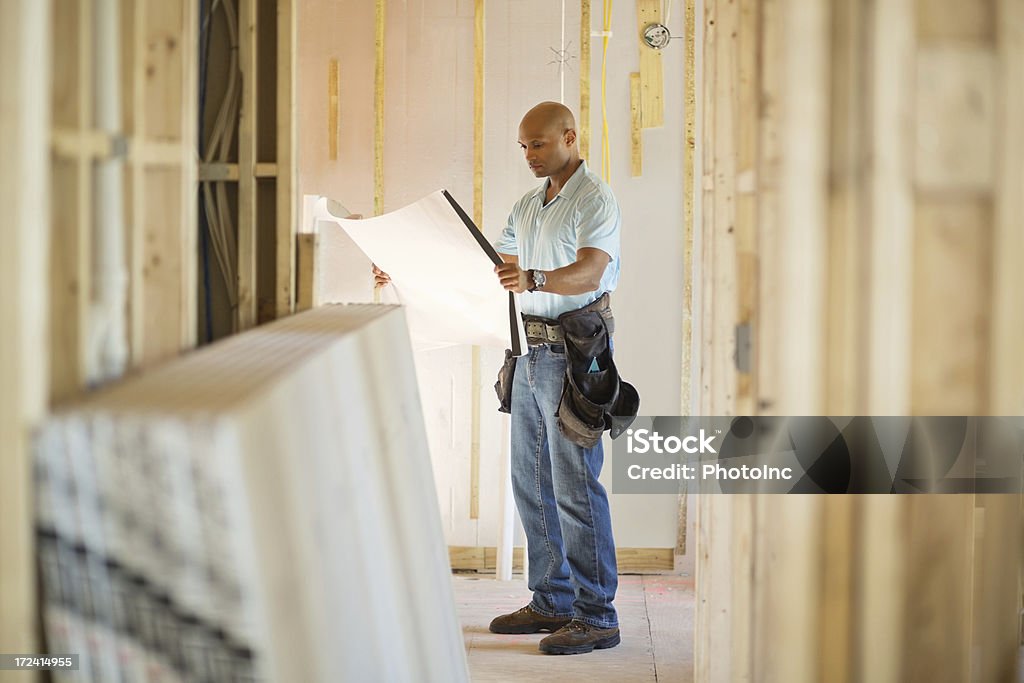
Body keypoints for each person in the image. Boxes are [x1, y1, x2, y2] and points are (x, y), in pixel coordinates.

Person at [375, 101, 621, 656]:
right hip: (528, 351)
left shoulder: (595, 199)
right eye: (523, 147)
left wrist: (533, 276)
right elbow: (485, 269)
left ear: (569, 137)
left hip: (574, 351)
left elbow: (591, 268)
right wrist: (405, 269)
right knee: (531, 484)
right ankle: (552, 599)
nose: (530, 155)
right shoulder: (528, 207)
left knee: (575, 487)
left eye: (538, 144)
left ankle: (597, 614)